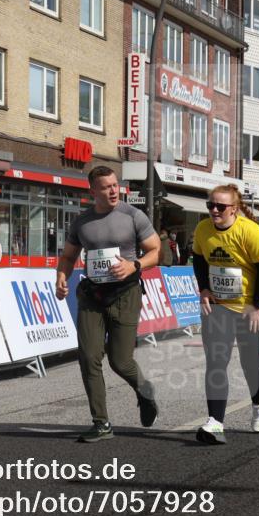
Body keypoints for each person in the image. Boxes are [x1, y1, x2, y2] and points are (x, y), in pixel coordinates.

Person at [55, 166, 161, 443]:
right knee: (89, 357)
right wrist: (61, 277)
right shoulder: (82, 222)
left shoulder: (133, 215)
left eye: (115, 185)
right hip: (92, 295)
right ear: (93, 191)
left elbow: (155, 251)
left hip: (126, 294)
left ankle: (145, 391)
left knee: (120, 361)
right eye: (106, 187)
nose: (114, 191)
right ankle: (101, 423)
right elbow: (68, 257)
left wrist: (134, 265)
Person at [191, 184, 259, 445]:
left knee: (250, 364)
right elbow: (199, 259)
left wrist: (256, 305)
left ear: (234, 209)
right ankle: (215, 422)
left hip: (252, 307)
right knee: (216, 363)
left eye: (220, 206)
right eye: (210, 205)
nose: (214, 210)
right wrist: (204, 288)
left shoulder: (250, 231)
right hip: (219, 306)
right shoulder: (203, 229)